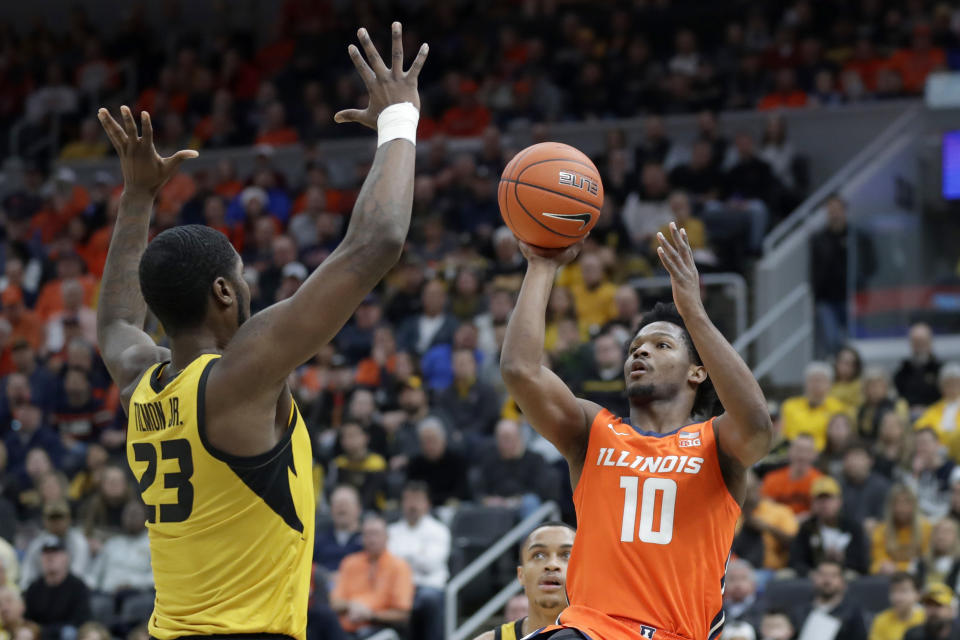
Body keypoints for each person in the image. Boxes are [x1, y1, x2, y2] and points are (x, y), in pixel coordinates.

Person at [94, 24, 428, 640]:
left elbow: (115, 320)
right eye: (241, 276)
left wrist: (138, 195)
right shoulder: (239, 377)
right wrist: (400, 119)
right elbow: (375, 243)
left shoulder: (140, 380)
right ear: (224, 292)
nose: (247, 285)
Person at [501, 222, 773, 640]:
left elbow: (757, 426)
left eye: (662, 345)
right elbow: (520, 370)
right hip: (590, 629)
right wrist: (541, 264)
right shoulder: (594, 431)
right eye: (634, 348)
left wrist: (693, 313)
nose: (641, 350)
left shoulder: (716, 443)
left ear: (698, 371)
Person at [473, 523, 576, 640]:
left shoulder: (598, 635)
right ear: (521, 575)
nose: (552, 564)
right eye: (539, 555)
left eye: (567, 554)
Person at [330, 514, 414, 639]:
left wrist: (370, 615)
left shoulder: (399, 567)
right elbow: (334, 602)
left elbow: (403, 614)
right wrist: (351, 605)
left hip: (379, 628)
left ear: (387, 537)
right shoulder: (350, 563)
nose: (371, 539)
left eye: (376, 534)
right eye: (367, 534)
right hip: (344, 627)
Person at [387, 482, 450, 640]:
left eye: (417, 500)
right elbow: (388, 565)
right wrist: (417, 554)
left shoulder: (439, 530)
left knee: (428, 600)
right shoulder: (391, 531)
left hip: (428, 586)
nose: (412, 505)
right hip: (396, 587)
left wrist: (402, 557)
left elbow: (430, 565)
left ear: (427, 504)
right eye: (408, 500)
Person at [788, 476, 869, 576]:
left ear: (839, 501)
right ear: (813, 503)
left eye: (829, 499)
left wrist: (842, 559)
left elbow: (862, 563)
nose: (824, 504)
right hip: (814, 577)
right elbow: (796, 561)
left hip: (844, 578)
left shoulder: (853, 527)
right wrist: (813, 571)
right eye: (820, 499)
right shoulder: (806, 528)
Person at [23, 536, 92, 640]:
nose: (50, 557)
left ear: (66, 557)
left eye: (55, 553)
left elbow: (80, 620)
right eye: (46, 553)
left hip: (66, 634)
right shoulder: (34, 588)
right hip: (39, 634)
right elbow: (27, 618)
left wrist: (48, 631)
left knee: (69, 633)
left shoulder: (78, 586)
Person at [733, 470, 797, 570]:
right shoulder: (729, 514)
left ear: (759, 486)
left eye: (751, 489)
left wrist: (768, 528)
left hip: (769, 570)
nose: (749, 495)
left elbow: (795, 543)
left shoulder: (780, 511)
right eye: (744, 490)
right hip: (735, 570)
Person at [780, 362, 849, 450]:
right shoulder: (789, 405)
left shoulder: (837, 407)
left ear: (830, 384)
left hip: (824, 456)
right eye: (812, 380)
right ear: (805, 383)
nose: (816, 385)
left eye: (820, 380)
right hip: (794, 453)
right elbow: (782, 435)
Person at [793, 559, 867, 640]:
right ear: (814, 578)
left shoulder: (852, 613)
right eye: (822, 575)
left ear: (842, 581)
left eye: (833, 576)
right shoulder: (800, 612)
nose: (827, 580)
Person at [871, 484, 931, 575]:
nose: (901, 508)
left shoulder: (926, 528)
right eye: (897, 503)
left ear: (914, 505)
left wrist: (898, 567)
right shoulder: (881, 530)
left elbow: (926, 561)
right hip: (889, 578)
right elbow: (877, 564)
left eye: (906, 502)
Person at [761, 434, 823, 516]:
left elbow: (820, 512)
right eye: (798, 450)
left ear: (814, 455)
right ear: (789, 451)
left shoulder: (820, 482)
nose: (802, 455)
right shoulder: (772, 479)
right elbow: (765, 510)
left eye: (807, 451)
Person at [314, 485, 363, 575]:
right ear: (331, 509)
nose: (341, 507)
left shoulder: (368, 539)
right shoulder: (318, 539)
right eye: (337, 503)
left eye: (346, 503)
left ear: (358, 508)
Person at [895, 324, 942, 412]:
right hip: (908, 415)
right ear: (911, 343)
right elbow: (899, 397)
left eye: (923, 341)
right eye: (916, 341)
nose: (920, 345)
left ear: (930, 341)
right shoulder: (902, 371)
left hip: (936, 416)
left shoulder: (941, 370)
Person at [870, 572, 925, 640]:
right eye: (893, 591)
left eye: (903, 591)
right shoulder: (881, 620)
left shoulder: (925, 619)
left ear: (918, 594)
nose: (897, 597)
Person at [915, 363, 960, 445]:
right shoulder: (934, 409)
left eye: (956, 383)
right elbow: (920, 427)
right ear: (942, 387)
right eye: (948, 384)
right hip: (937, 449)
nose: (952, 387)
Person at [723, 559, 764, 631]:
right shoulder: (718, 609)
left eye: (743, 578)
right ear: (724, 584)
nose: (737, 584)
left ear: (753, 583)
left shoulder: (763, 608)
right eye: (732, 579)